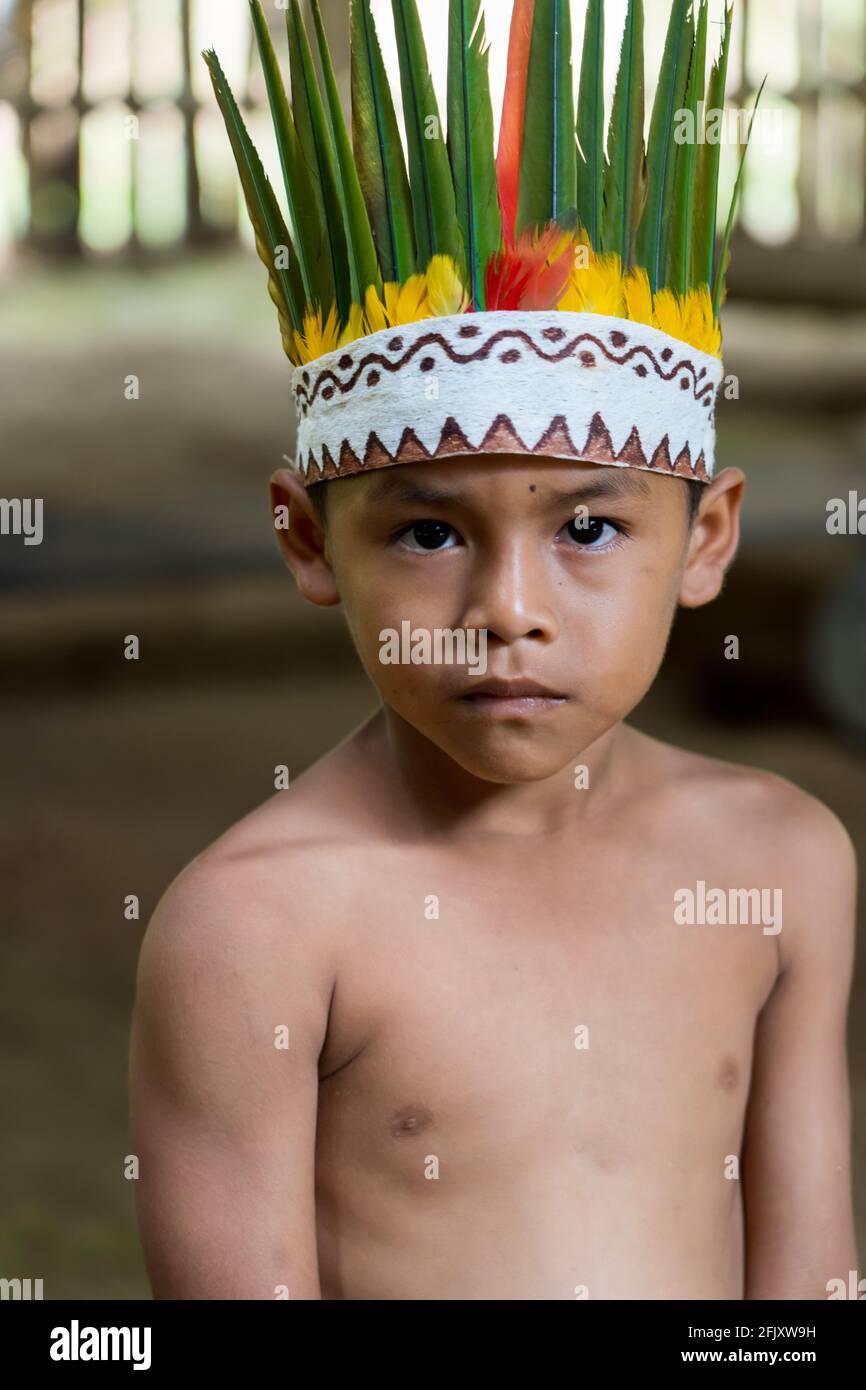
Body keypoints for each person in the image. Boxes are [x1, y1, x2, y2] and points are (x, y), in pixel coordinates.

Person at [129, 0, 859, 1299]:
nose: (506, 607)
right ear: (307, 540)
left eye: (586, 525)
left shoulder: (782, 862)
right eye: (424, 532)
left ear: (704, 540)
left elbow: (805, 1291)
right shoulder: (252, 929)